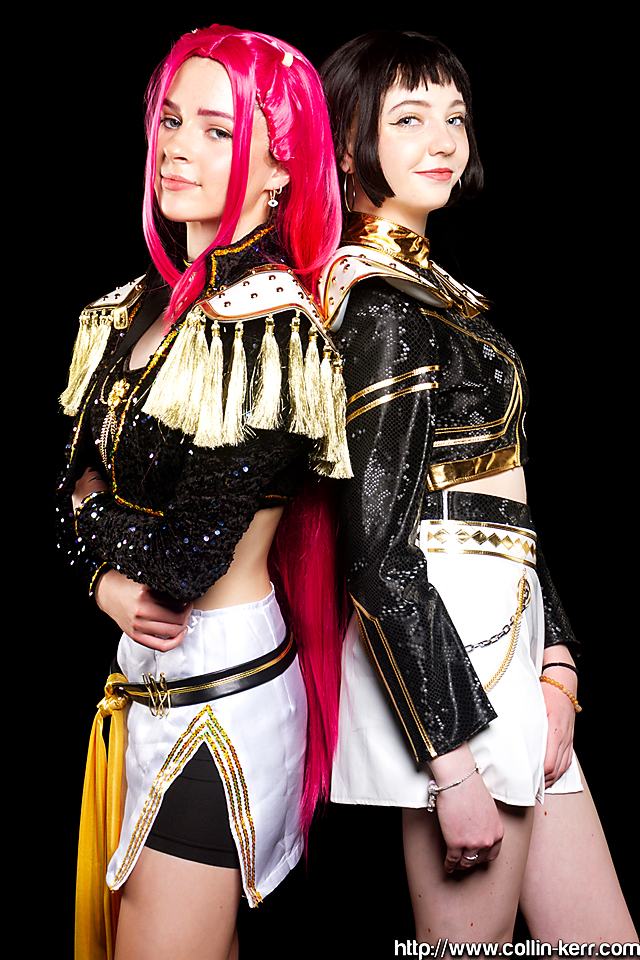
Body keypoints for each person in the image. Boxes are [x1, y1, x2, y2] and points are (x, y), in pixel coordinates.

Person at [319, 30, 637, 947]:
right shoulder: (379, 304)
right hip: (454, 667)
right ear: (346, 143)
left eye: (454, 117)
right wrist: (452, 765)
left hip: (506, 642)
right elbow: (376, 550)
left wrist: (559, 659)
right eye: (408, 118)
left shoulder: (436, 295)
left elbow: (504, 504)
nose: (443, 140)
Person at [56, 23, 351, 960]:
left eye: (219, 130)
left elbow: (183, 562)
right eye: (173, 121)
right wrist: (103, 579)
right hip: (147, 690)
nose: (177, 147)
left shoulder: (271, 330)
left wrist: (90, 524)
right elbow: (63, 490)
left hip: (221, 704)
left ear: (280, 166)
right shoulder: (126, 312)